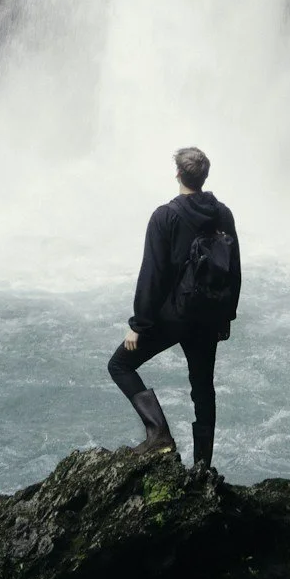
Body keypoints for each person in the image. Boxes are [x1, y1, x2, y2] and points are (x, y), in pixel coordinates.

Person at [109, 146, 241, 469]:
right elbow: (234, 269)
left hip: (174, 316)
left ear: (178, 174)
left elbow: (152, 274)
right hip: (208, 316)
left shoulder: (164, 217)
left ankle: (159, 434)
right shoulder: (223, 214)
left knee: (120, 366)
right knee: (203, 389)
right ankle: (202, 467)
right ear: (204, 176)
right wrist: (226, 316)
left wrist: (139, 324)